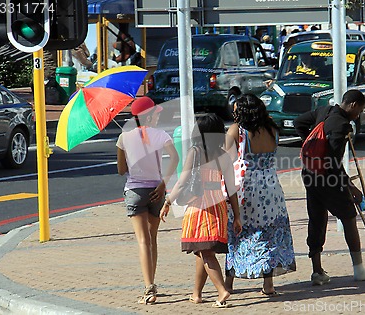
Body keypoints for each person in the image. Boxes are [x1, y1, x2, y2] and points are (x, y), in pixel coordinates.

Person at [293, 90, 365, 286]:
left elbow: (298, 122)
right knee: (349, 216)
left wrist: (309, 143)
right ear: (352, 105)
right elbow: (333, 162)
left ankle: (317, 272)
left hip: (309, 174)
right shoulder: (341, 126)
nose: (359, 114)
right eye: (360, 109)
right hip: (328, 179)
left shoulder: (324, 111)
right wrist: (351, 187)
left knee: (316, 218)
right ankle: (359, 269)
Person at [160, 114, 242, 308]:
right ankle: (196, 294)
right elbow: (231, 189)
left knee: (205, 252)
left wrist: (168, 202)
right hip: (219, 206)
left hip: (200, 207)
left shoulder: (195, 152)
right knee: (202, 250)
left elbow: (182, 183)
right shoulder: (224, 156)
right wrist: (237, 216)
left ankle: (222, 291)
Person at [224, 94, 296, 296]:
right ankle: (268, 284)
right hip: (271, 187)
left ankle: (228, 283)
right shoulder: (273, 129)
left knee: (238, 231)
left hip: (247, 188)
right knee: (268, 233)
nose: (234, 113)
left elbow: (226, 162)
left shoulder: (237, 131)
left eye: (237, 110)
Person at [116, 96, 179, 304]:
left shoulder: (124, 137)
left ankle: (148, 287)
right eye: (156, 113)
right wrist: (164, 183)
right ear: (150, 115)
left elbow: (121, 170)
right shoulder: (161, 135)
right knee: (152, 239)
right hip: (156, 191)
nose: (158, 116)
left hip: (135, 190)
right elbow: (175, 158)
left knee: (142, 240)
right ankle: (152, 283)